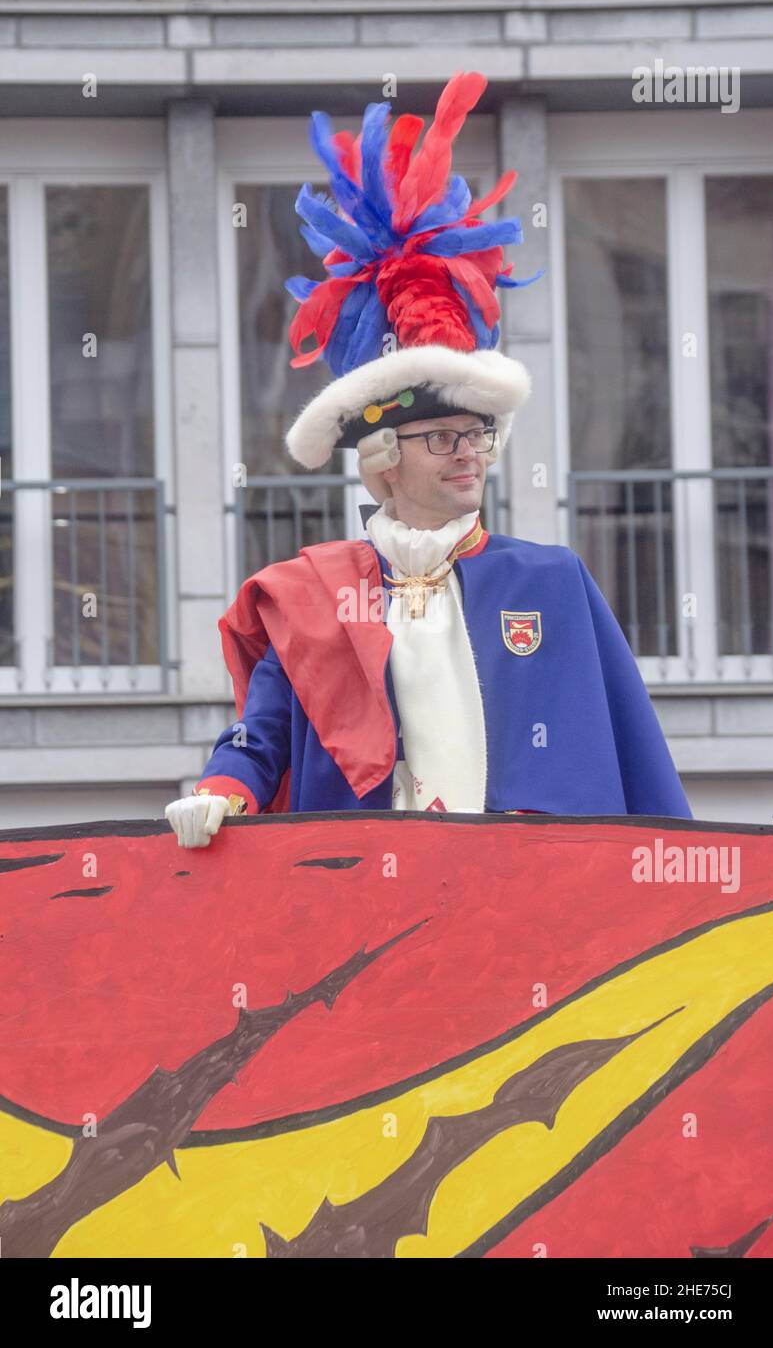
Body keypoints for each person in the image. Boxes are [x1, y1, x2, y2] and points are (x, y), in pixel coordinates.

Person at [165, 72, 692, 848]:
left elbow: (634, 764)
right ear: (382, 459)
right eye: (442, 437)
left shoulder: (551, 582)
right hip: (369, 921)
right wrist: (219, 791)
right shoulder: (313, 595)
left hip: (525, 916)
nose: (468, 453)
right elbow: (259, 738)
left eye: (477, 435)